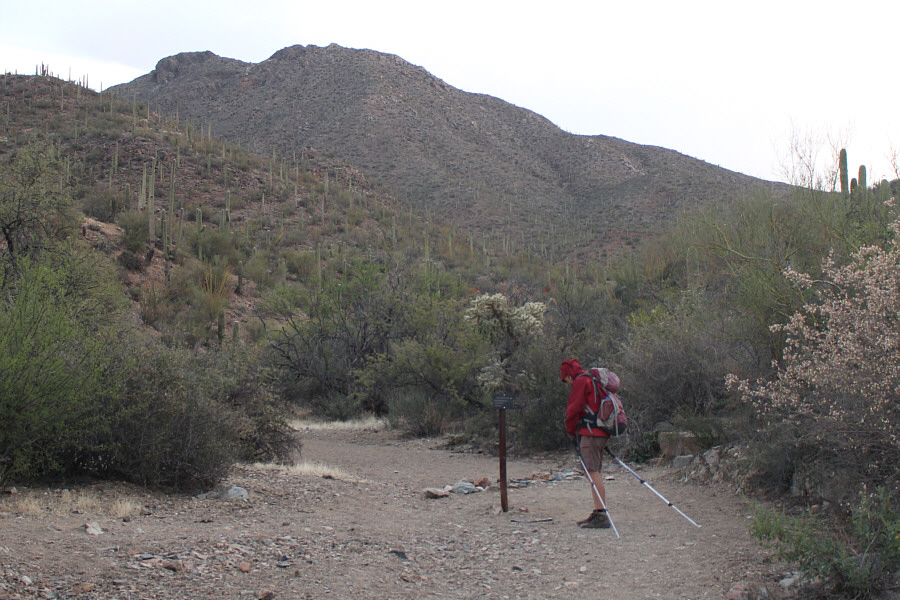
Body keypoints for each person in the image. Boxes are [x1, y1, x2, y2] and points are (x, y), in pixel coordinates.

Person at [561, 359, 612, 529]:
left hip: (591, 433)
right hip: (601, 431)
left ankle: (601, 514)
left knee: (592, 471)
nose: (568, 383)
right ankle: (599, 511)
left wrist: (570, 430)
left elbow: (573, 409)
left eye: (566, 379)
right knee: (594, 471)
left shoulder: (581, 382)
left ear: (569, 375)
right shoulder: (592, 380)